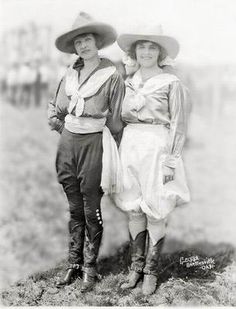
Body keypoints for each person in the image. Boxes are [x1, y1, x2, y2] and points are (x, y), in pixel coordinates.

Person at [48, 12, 125, 292]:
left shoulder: (111, 75)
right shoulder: (69, 74)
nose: (83, 46)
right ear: (74, 47)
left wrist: (109, 141)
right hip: (69, 143)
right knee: (74, 208)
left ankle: (90, 268)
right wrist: (65, 127)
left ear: (97, 42)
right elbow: (55, 109)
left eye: (88, 40)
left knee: (91, 208)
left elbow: (116, 119)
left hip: (94, 143)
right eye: (78, 41)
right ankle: (74, 264)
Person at [115, 25, 190, 295]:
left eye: (152, 47)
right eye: (141, 47)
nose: (146, 52)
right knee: (133, 206)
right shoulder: (128, 80)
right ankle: (135, 267)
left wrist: (171, 160)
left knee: (155, 206)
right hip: (131, 145)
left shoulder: (171, 82)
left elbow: (179, 125)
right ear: (134, 52)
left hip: (158, 147)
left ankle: (151, 271)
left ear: (161, 53)